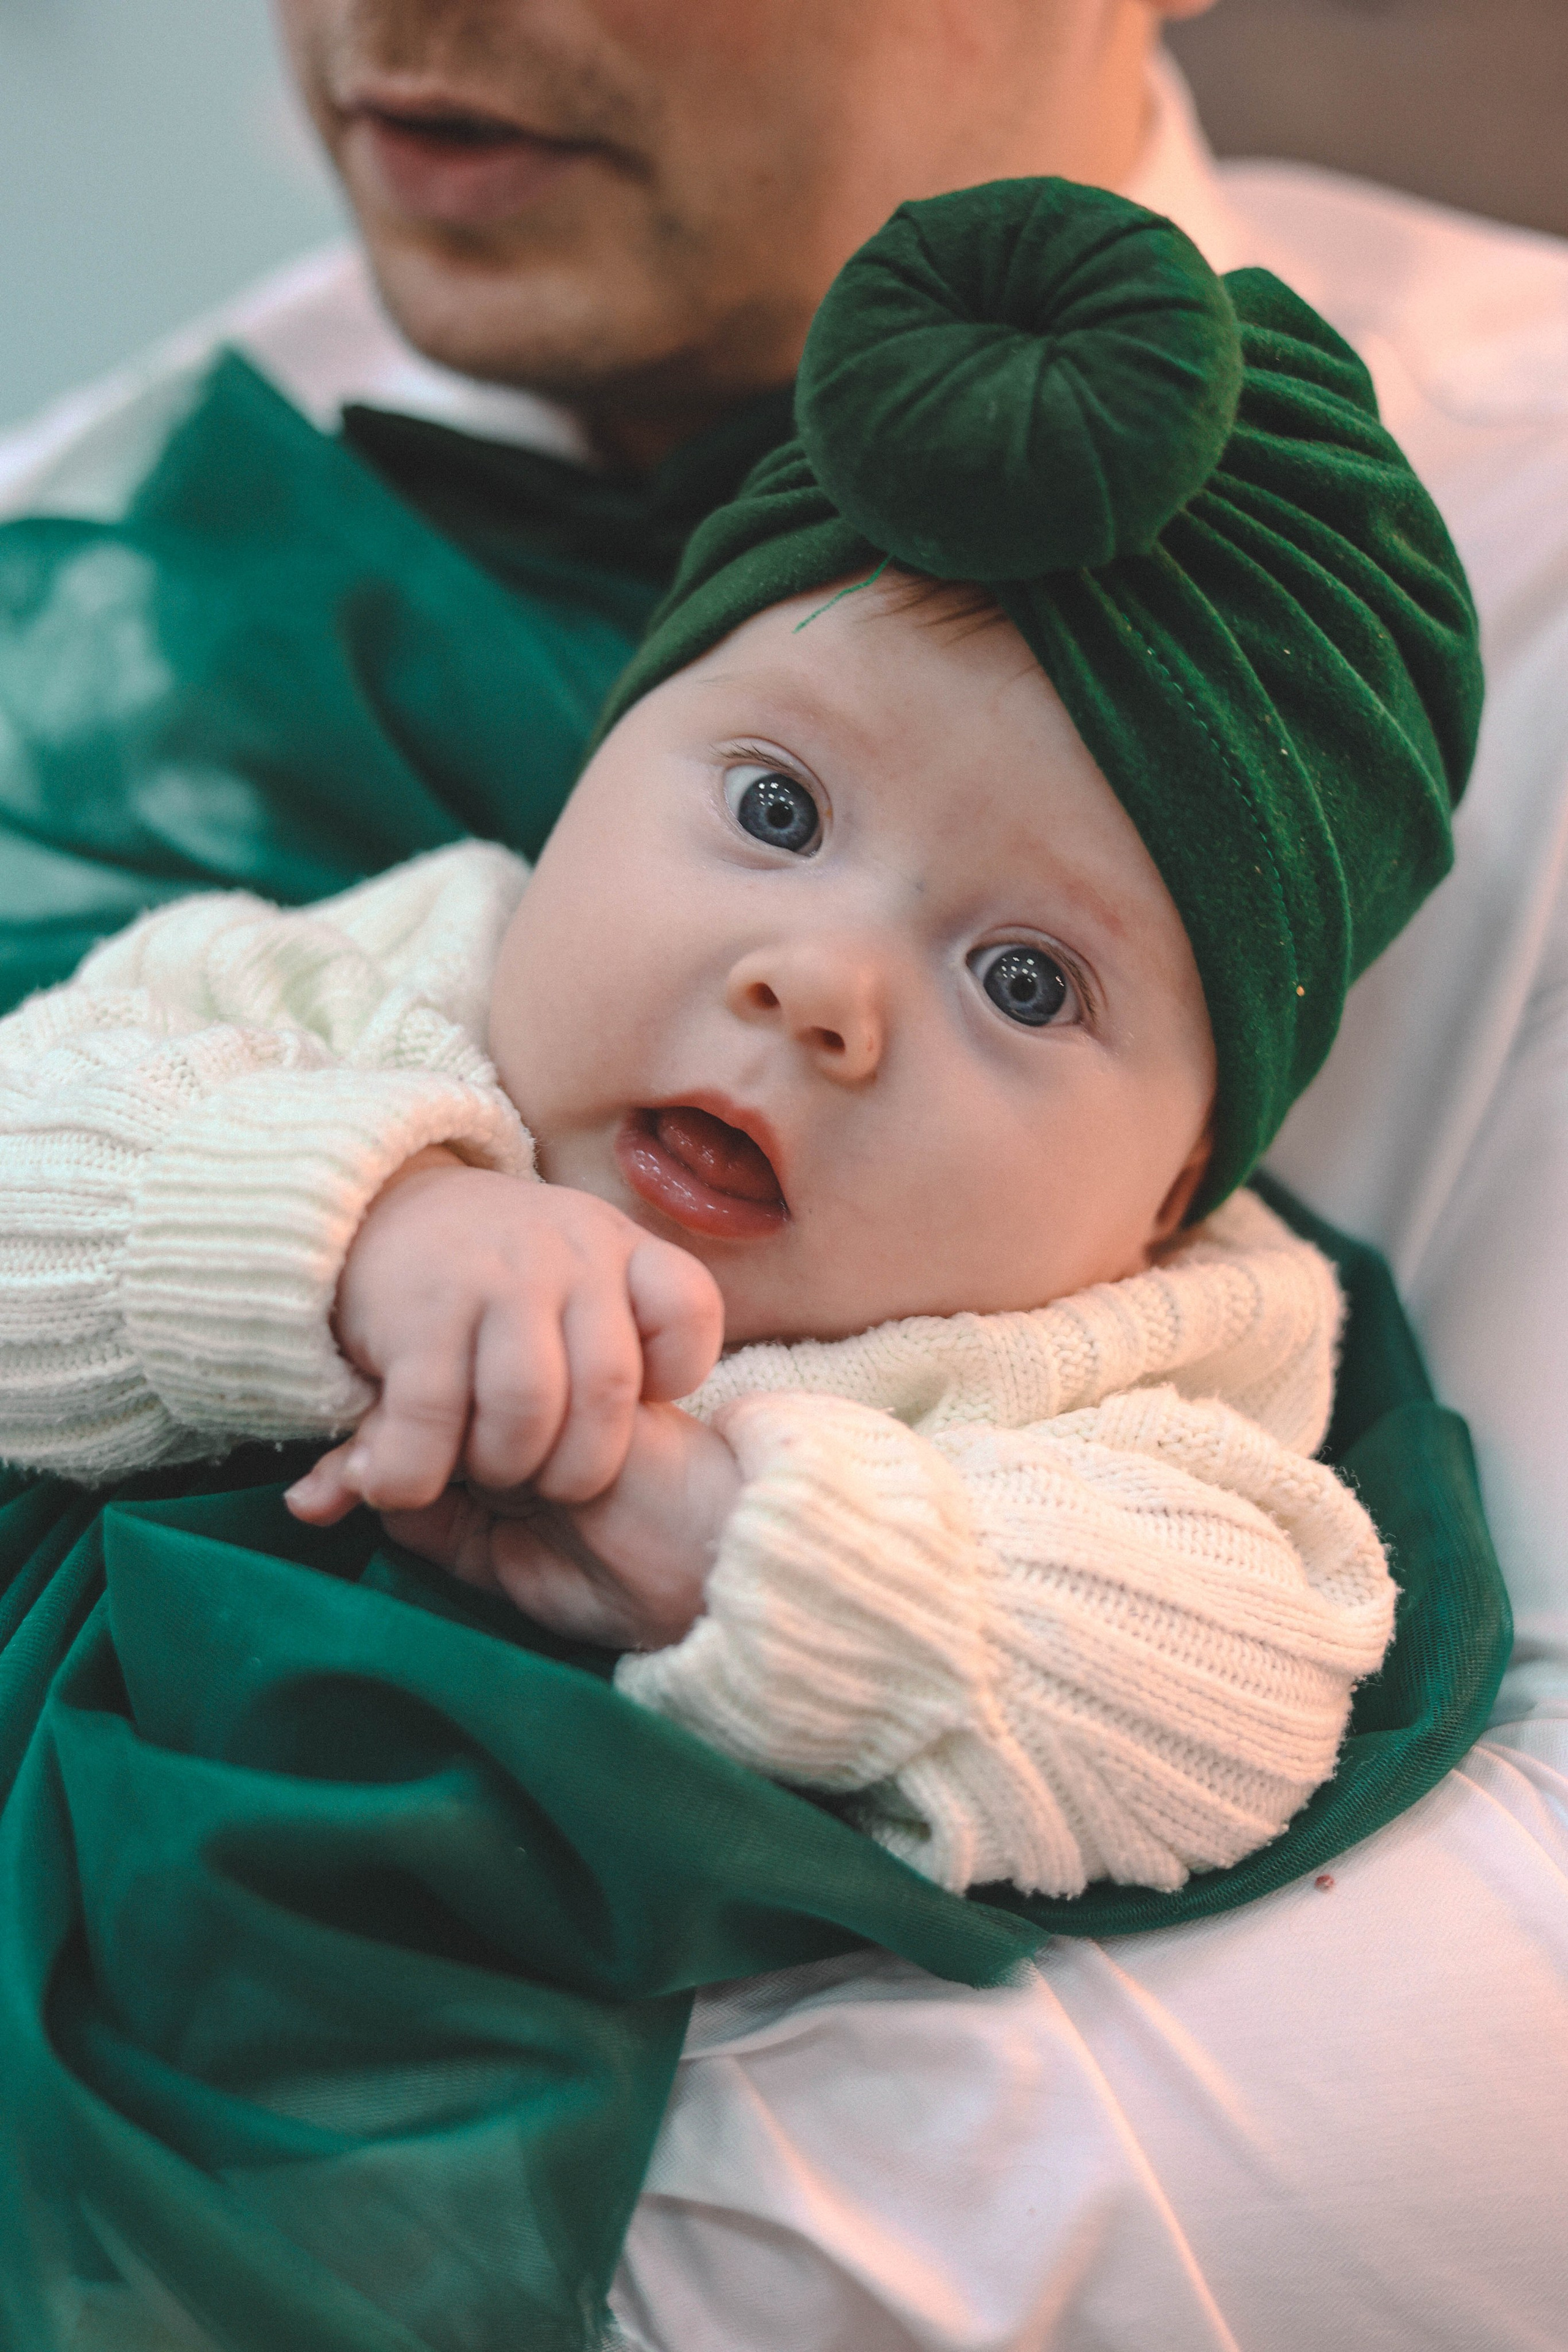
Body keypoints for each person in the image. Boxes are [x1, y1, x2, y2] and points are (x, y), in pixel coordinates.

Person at [1, 4, 1565, 2346]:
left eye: (1027, 979)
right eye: (767, 810)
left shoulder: (1126, 1354)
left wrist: (757, 1550)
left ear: (1179, 1185)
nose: (820, 988)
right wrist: (354, 1232)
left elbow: (1241, 1689)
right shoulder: (363, 955)